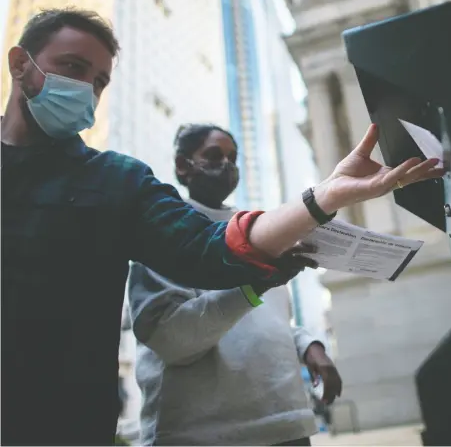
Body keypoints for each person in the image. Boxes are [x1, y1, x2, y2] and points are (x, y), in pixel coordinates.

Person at [1, 8, 444, 446]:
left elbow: (212, 251)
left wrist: (327, 195)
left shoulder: (118, 183)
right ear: (21, 63)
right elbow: (174, 333)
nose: (85, 90)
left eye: (99, 82)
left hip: (66, 426)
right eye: (73, 68)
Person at [128, 123, 343, 446]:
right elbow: (171, 338)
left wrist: (310, 346)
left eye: (233, 157)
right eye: (214, 156)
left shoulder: (258, 227)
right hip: (202, 434)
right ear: (182, 166)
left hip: (286, 426)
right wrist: (256, 282)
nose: (227, 166)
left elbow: (265, 319)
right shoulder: (162, 233)